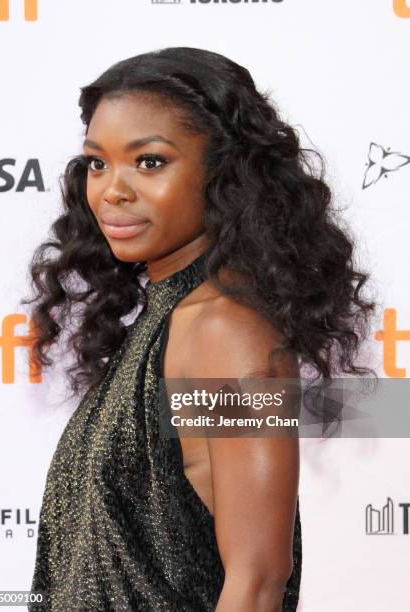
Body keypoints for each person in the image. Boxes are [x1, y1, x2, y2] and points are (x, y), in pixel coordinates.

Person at [22, 46, 375, 611]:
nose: (112, 190)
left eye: (151, 162)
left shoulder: (224, 331)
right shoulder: (163, 320)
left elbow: (258, 582)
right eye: (97, 162)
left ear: (224, 174)